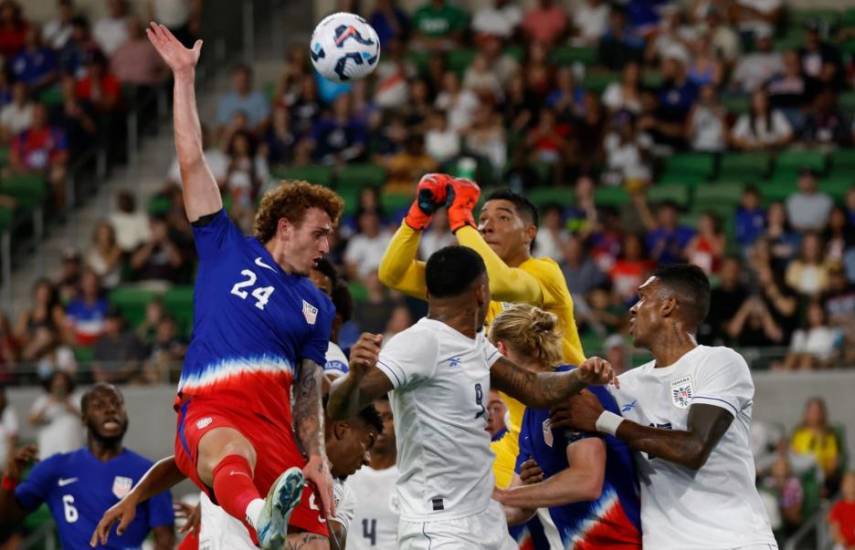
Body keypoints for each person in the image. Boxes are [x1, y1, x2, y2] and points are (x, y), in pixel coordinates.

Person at [146, 23, 340, 548]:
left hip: (277, 431)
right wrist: (184, 78)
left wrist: (316, 457)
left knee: (319, 544)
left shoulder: (316, 306)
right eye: (319, 233)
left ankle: (268, 515)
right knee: (229, 450)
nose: (327, 246)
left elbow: (305, 393)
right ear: (285, 227)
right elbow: (192, 159)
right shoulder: (224, 247)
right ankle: (259, 515)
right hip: (214, 407)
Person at [327, 245, 616, 548]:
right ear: (481, 291)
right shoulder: (419, 342)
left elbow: (533, 389)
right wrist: (355, 377)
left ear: (427, 292)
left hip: (483, 516)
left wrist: (580, 376)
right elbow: (340, 405)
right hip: (440, 526)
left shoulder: (475, 344)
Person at [378, 179, 586, 493]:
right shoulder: (474, 290)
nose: (487, 226)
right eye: (483, 218)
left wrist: (462, 219)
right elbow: (392, 274)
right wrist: (419, 215)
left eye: (502, 218)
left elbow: (503, 283)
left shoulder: (545, 272)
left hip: (577, 420)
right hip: (520, 439)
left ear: (530, 233)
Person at [550, 264, 778, 549]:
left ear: (669, 305)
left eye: (643, 298)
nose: (633, 309)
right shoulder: (624, 386)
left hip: (734, 540)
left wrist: (603, 419)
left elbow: (693, 448)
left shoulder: (720, 362)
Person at [92, 402, 385, 550]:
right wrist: (135, 496)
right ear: (342, 429)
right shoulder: (275, 444)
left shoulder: (344, 495)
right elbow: (184, 461)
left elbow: (334, 539)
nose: (368, 458)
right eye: (368, 442)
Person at [489, 304, 641, 548]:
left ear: (501, 350)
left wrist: (503, 495)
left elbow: (587, 481)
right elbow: (517, 511)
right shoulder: (530, 413)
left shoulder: (572, 390)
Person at [0, 383, 175, 549]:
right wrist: (9, 482)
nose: (110, 409)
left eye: (117, 404)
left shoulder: (149, 473)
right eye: (99, 406)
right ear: (83, 418)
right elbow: (7, 521)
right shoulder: (56, 467)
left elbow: (165, 539)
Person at [346, 395, 400, 550]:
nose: (382, 424)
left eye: (389, 417)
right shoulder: (347, 474)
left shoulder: (409, 479)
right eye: (377, 417)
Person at [28, 370, 83, 459]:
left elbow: (87, 419)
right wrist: (46, 406)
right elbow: (31, 421)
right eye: (56, 381)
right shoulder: (43, 400)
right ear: (51, 384)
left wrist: (69, 406)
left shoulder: (76, 398)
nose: (60, 384)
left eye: (63, 381)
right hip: (48, 449)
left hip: (71, 447)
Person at [828, 471, 855, 550]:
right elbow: (834, 529)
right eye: (846, 482)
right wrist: (842, 543)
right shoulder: (838, 507)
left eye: (852, 482)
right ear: (842, 486)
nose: (850, 485)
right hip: (843, 545)